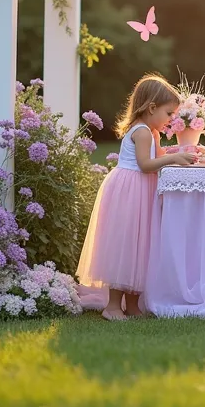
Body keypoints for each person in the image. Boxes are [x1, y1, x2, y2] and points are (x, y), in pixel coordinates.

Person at [77, 74, 198, 321]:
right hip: (131, 189)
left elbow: (159, 155)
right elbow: (145, 164)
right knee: (126, 245)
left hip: (142, 191)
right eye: (169, 113)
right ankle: (112, 306)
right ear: (151, 108)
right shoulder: (142, 132)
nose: (172, 119)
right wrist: (174, 159)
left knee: (140, 248)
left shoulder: (151, 132)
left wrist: (183, 150)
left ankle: (132, 305)